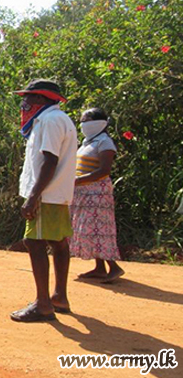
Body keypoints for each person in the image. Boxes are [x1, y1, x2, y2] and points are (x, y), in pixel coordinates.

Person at [11, 80, 78, 322]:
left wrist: (33, 197)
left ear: (41, 98)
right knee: (58, 241)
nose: (24, 103)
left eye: (29, 97)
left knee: (34, 241)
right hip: (55, 193)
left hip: (47, 194)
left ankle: (43, 304)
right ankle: (59, 297)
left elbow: (50, 161)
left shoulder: (49, 121)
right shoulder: (57, 119)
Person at [70, 108, 125, 283]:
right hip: (84, 192)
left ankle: (114, 267)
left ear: (100, 123)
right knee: (89, 229)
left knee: (98, 230)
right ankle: (100, 268)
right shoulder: (87, 142)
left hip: (97, 194)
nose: (83, 124)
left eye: (86, 120)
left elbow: (104, 170)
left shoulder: (105, 142)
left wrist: (77, 181)